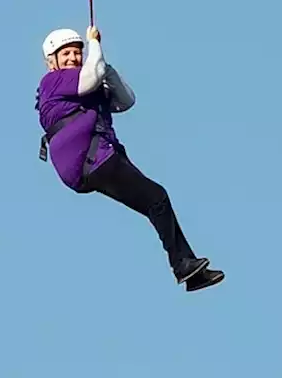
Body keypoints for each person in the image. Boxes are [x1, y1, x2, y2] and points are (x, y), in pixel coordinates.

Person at [35, 25, 224, 292]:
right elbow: (90, 77)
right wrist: (94, 45)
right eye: (65, 53)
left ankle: (189, 269)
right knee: (156, 198)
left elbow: (126, 100)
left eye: (77, 52)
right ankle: (183, 266)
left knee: (156, 201)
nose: (73, 58)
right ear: (51, 62)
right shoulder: (53, 81)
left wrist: (106, 70)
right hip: (89, 160)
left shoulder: (85, 85)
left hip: (99, 157)